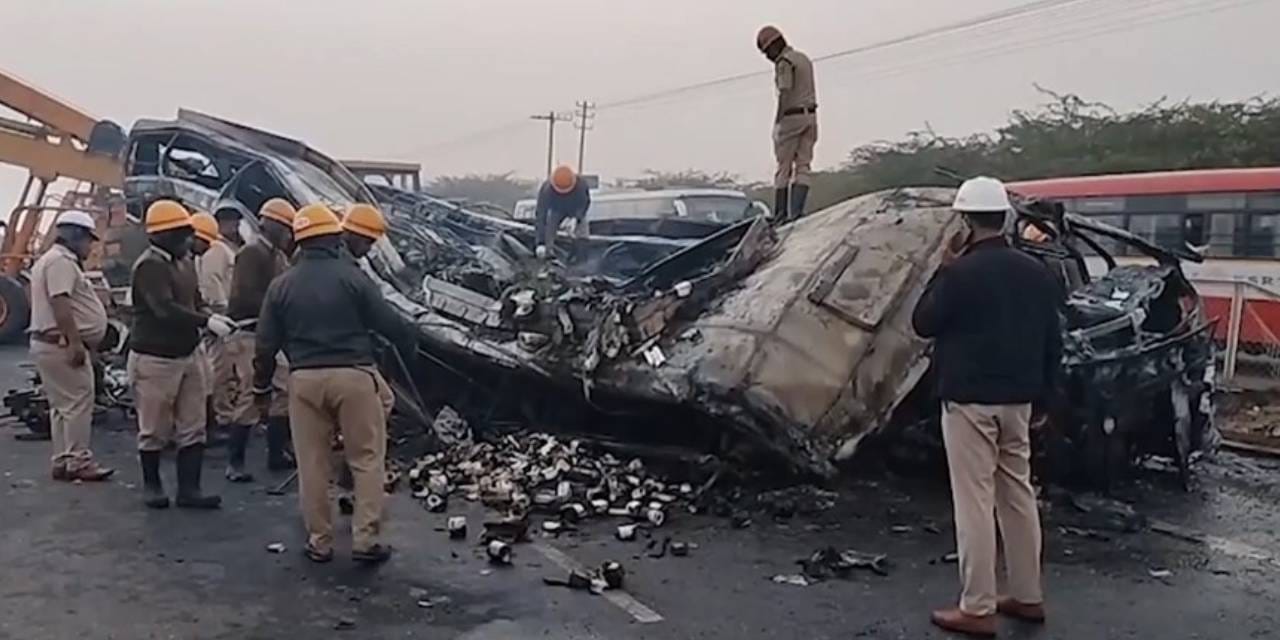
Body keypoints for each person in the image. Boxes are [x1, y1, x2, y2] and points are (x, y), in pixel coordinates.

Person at [911, 177, 1061, 637]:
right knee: (1018, 494)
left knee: (974, 501)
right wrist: (1046, 398)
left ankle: (977, 607)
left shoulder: (959, 274)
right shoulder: (1038, 272)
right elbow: (1053, 341)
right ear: (1005, 218)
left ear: (965, 222)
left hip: (970, 402)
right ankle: (1027, 595)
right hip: (1020, 400)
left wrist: (943, 270)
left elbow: (923, 323)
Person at [255, 204, 416, 564]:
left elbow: (264, 345)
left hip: (304, 380)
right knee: (367, 459)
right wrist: (409, 353)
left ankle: (319, 541)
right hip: (353, 376)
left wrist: (261, 388)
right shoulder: (353, 278)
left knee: (312, 464)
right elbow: (390, 324)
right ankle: (365, 541)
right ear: (334, 237)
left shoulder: (281, 285)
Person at [129, 200, 235, 509]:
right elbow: (164, 309)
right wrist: (205, 322)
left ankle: (190, 490)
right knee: (153, 429)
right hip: (156, 358)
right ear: (162, 235)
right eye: (182, 234)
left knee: (193, 425)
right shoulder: (150, 265)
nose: (189, 240)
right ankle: (153, 487)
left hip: (187, 354)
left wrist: (210, 317)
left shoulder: (184, 262)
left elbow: (194, 301)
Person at [27, 210, 114, 482]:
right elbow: (60, 302)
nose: (90, 247)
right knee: (78, 403)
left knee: (61, 406)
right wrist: (75, 342)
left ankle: (62, 459)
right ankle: (78, 461)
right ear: (75, 236)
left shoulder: (50, 260)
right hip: (61, 344)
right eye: (88, 240)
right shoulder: (61, 262)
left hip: (50, 343)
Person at [224, 198, 296, 481]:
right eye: (286, 228)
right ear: (272, 225)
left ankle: (276, 453)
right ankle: (235, 463)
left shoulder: (276, 255)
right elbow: (244, 297)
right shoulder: (252, 253)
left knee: (284, 390)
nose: (289, 235)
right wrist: (279, 308)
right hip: (249, 332)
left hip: (268, 333)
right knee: (251, 394)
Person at [756, 25, 818, 222]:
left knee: (783, 167)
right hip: (811, 116)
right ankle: (797, 213)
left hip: (791, 117)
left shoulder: (785, 63)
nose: (768, 57)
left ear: (774, 46)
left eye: (767, 52)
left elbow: (785, 91)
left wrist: (778, 120)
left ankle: (781, 214)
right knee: (804, 165)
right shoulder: (803, 58)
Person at [196, 209, 239, 444]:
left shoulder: (220, 248)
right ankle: (221, 414)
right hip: (218, 316)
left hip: (216, 315)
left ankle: (220, 412)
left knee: (219, 367)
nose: (236, 227)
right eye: (233, 222)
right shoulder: (216, 249)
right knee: (219, 368)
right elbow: (211, 280)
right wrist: (220, 311)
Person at [533, 165, 590, 258]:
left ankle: (581, 257)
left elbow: (584, 204)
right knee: (549, 228)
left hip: (575, 210)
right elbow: (541, 215)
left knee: (583, 233)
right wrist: (540, 243)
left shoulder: (581, 185)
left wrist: (576, 218)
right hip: (556, 210)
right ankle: (549, 255)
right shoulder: (546, 190)